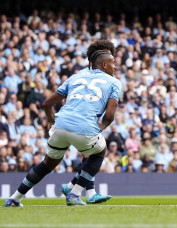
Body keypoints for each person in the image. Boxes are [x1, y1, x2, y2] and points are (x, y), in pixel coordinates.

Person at [4, 46, 121, 207]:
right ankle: (74, 193)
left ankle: (14, 199)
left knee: (47, 164)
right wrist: (101, 127)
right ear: (104, 65)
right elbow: (109, 115)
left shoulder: (76, 76)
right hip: (85, 127)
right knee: (99, 152)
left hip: (60, 124)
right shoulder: (114, 82)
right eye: (113, 63)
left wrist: (52, 120)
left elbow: (46, 103)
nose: (115, 67)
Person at [60, 40, 116, 204]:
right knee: (92, 154)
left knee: (91, 155)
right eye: (107, 53)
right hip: (79, 121)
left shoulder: (101, 75)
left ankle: (72, 187)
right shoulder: (84, 74)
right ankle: (86, 193)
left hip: (88, 120)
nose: (110, 59)